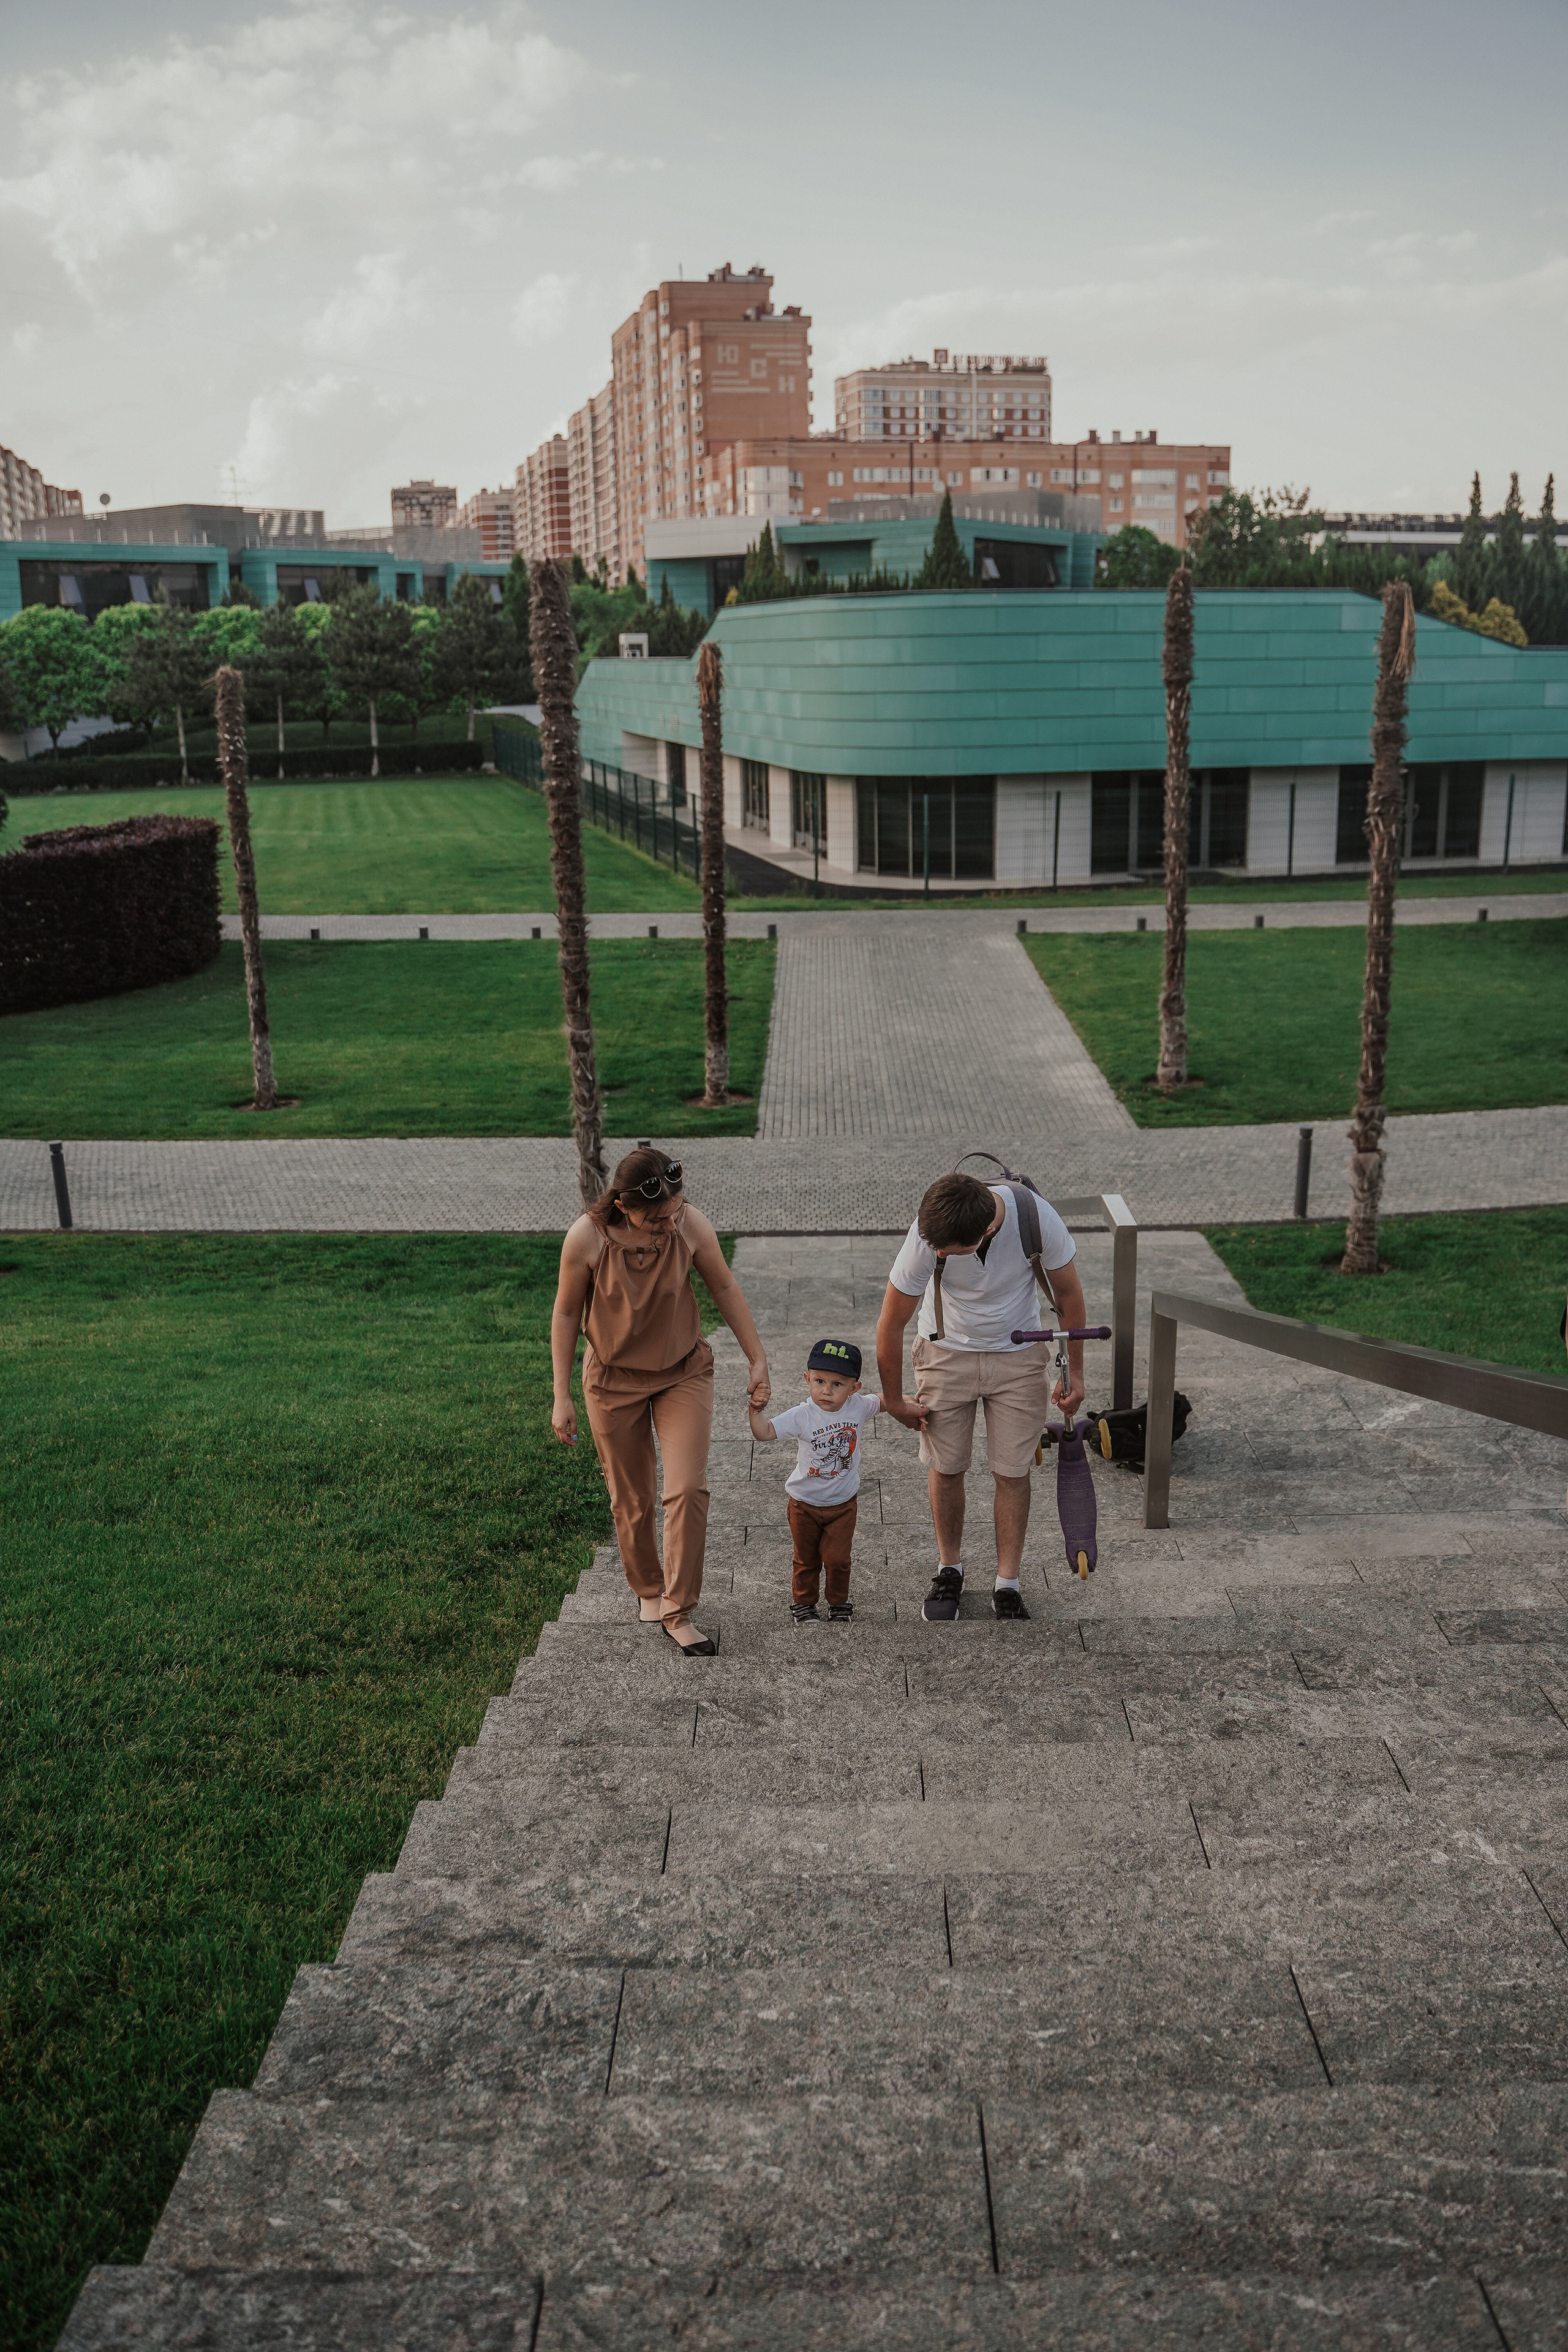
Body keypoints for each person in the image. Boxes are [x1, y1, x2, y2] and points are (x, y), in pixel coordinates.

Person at [550, 1148, 771, 1655]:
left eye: (675, 1213)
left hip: (683, 1372)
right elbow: (565, 1314)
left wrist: (757, 1358)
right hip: (611, 1380)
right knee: (633, 1500)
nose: (669, 1226)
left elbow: (724, 1285)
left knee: (688, 1489)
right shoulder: (586, 1238)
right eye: (656, 1220)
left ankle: (680, 1609)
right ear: (626, 1208)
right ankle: (648, 1587)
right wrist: (562, 1396)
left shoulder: (689, 1225)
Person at [876, 1170, 1088, 1622]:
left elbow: (1069, 1296)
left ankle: (1007, 1583)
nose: (935, 1254)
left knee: (1012, 1472)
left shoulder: (1036, 1218)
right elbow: (890, 1322)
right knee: (946, 1466)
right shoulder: (927, 1234)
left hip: (1018, 1355)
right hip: (944, 1353)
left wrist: (1077, 1374)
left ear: (985, 1232)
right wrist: (893, 1400)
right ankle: (948, 1569)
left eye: (945, 1252)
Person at [750, 1340, 881, 1626]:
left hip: (843, 1505)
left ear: (854, 1388)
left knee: (838, 1560)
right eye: (820, 1381)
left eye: (838, 1384)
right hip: (804, 1504)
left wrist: (913, 1405)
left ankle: (838, 1604)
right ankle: (804, 1605)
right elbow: (766, 1432)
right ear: (808, 1379)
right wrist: (756, 1411)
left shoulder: (860, 1406)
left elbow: (885, 1401)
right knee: (806, 1559)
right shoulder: (803, 1415)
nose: (826, 1390)